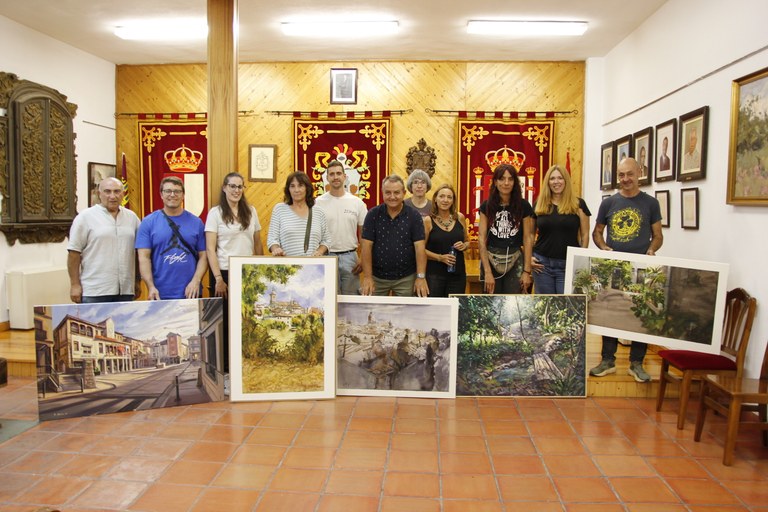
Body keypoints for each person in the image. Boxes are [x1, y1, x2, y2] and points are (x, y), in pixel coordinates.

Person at [590, 157, 663, 383]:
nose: (625, 179)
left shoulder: (651, 203)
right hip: (615, 269)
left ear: (639, 172)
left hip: (641, 269)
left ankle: (636, 364)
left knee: (639, 314)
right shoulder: (608, 203)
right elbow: (597, 232)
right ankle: (607, 360)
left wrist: (651, 250)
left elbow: (658, 236)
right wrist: (604, 248)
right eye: (621, 175)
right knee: (610, 312)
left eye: (629, 174)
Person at [205, 172, 263, 372]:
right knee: (226, 323)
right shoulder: (216, 213)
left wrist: (261, 270)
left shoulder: (251, 211)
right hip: (224, 273)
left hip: (247, 273)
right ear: (224, 187)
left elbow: (257, 242)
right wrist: (218, 279)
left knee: (246, 321)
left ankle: (244, 366)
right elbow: (210, 248)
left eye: (240, 187)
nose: (236, 190)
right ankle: (226, 370)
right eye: (232, 186)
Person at [67, 177, 140, 303]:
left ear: (123, 194)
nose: (112, 196)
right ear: (99, 194)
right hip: (95, 291)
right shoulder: (85, 217)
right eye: (107, 191)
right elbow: (74, 253)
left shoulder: (132, 217)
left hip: (125, 290)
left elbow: (139, 252)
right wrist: (74, 284)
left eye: (117, 191)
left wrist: (137, 280)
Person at [136, 176, 208, 300]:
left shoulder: (197, 223)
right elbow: (143, 257)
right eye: (168, 191)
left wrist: (196, 281)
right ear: (161, 195)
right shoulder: (148, 222)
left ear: (183, 195)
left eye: (177, 191)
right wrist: (150, 286)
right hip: (159, 293)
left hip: (191, 292)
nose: (172, 195)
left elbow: (204, 256)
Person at [361, 174, 428, 297]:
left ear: (404, 193)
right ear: (382, 193)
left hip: (406, 278)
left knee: (405, 314)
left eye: (396, 193)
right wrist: (367, 277)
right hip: (377, 278)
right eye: (388, 193)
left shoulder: (414, 216)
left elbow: (420, 248)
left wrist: (421, 277)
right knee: (373, 313)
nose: (392, 197)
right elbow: (366, 246)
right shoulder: (373, 215)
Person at [531, 165, 591, 294]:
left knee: (565, 307)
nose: (556, 182)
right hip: (542, 265)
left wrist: (580, 260)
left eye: (560, 178)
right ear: (548, 182)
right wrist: (529, 257)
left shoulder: (578, 204)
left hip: (567, 265)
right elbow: (530, 235)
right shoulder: (539, 204)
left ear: (566, 181)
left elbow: (585, 235)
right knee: (545, 306)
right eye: (552, 178)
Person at [478, 164, 534, 294]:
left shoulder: (524, 206)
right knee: (490, 304)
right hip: (491, 260)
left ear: (515, 182)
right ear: (495, 182)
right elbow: (481, 238)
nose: (506, 183)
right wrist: (487, 272)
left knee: (514, 304)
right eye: (502, 179)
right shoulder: (486, 206)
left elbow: (527, 238)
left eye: (510, 179)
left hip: (515, 260)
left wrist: (526, 271)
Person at [315, 160, 368, 294]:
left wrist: (363, 259)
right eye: (331, 174)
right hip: (326, 257)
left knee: (351, 302)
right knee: (327, 300)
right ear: (327, 178)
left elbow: (364, 236)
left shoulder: (357, 203)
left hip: (350, 258)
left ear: (345, 177)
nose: (335, 177)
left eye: (339, 173)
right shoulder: (317, 203)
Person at [267, 171, 330, 257]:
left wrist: (320, 251)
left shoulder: (318, 212)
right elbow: (272, 239)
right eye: (292, 186)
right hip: (288, 267)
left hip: (313, 267)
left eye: (300, 185)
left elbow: (326, 240)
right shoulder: (279, 209)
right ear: (288, 189)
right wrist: (276, 249)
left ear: (307, 188)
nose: (296, 190)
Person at [423, 184, 468, 297]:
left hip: (457, 274)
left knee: (455, 308)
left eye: (449, 197)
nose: (445, 200)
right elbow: (420, 250)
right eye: (442, 196)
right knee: (435, 310)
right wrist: (440, 257)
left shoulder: (460, 218)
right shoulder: (428, 221)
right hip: (434, 275)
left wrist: (464, 245)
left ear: (453, 201)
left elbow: (467, 241)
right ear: (435, 199)